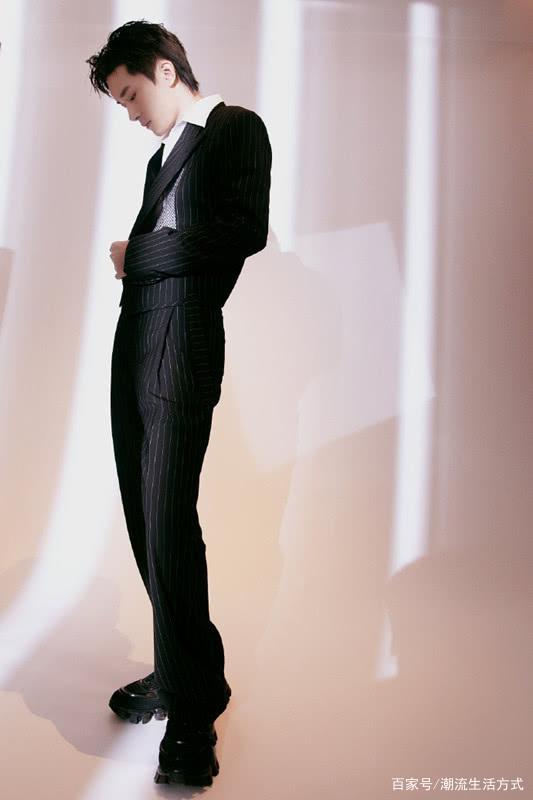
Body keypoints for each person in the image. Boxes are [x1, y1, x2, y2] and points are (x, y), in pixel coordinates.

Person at [86, 20, 272, 786]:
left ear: (165, 70)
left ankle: (193, 710)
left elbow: (243, 231)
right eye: (120, 102)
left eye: (131, 94)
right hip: (135, 344)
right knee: (144, 516)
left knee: (166, 520)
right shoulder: (160, 158)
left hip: (181, 347)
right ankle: (180, 669)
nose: (130, 113)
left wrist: (141, 254)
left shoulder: (234, 128)